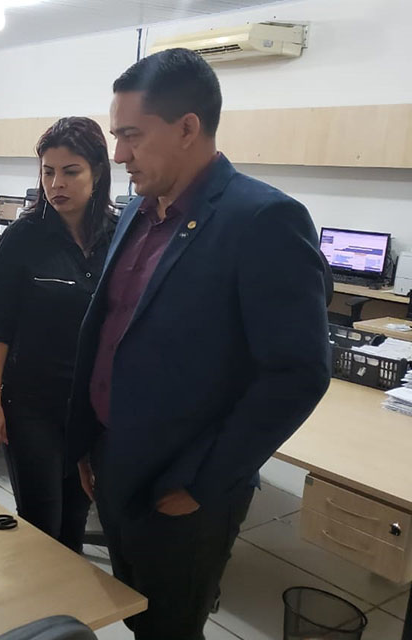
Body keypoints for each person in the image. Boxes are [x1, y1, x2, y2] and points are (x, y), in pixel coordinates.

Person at [65, 49, 330, 639]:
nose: (118, 154)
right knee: (133, 611)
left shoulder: (263, 220)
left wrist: (205, 483)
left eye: (132, 135)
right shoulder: (138, 208)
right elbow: (116, 332)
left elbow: (298, 372)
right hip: (114, 460)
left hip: (182, 484)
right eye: (117, 134)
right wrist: (90, 440)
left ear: (188, 127)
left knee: (170, 627)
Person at [0, 117, 116, 552]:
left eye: (70, 171)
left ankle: (66, 614)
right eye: (48, 171)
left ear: (97, 172)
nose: (57, 183)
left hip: (92, 405)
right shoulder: (25, 236)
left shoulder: (119, 235)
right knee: (41, 522)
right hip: (33, 402)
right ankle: (38, 611)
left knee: (75, 518)